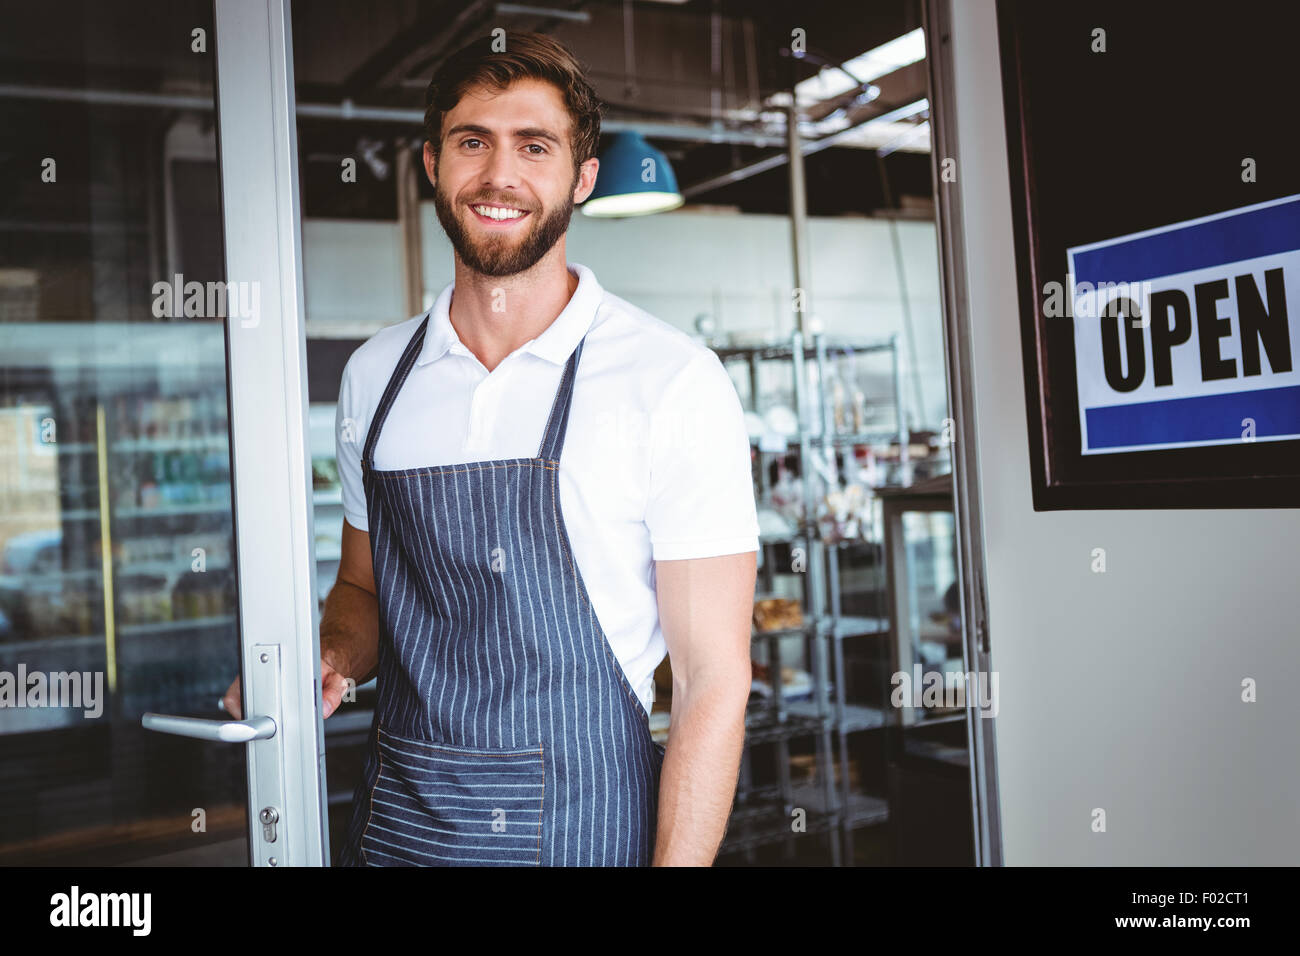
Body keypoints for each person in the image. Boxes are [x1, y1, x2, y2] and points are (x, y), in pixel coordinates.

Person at [227, 30, 758, 867]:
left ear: (582, 178)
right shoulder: (378, 376)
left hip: (587, 831)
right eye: (473, 142)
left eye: (533, 147)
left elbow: (711, 683)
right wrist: (329, 654)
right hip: (402, 826)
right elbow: (362, 585)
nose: (499, 175)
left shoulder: (670, 380)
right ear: (433, 163)